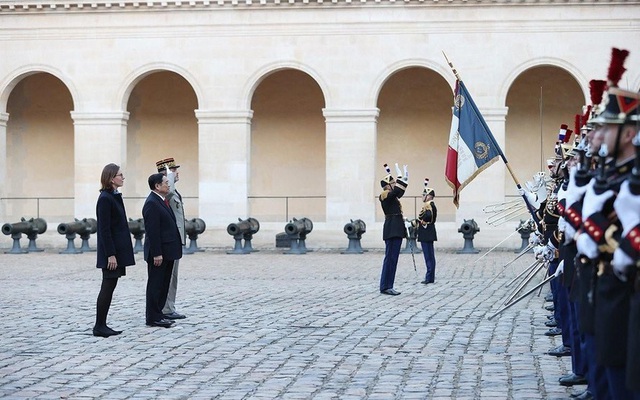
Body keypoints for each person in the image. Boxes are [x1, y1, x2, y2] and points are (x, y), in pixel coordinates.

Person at [93, 163, 135, 338]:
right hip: (111, 252)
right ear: (111, 178)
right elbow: (104, 229)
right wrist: (111, 254)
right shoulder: (105, 198)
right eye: (120, 175)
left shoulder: (114, 196)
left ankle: (102, 324)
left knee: (111, 285)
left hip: (117, 250)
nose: (122, 177)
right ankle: (99, 325)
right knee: (107, 286)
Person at [143, 173, 183, 328]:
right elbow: (153, 231)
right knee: (156, 285)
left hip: (168, 251)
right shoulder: (152, 203)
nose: (169, 185)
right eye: (166, 183)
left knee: (164, 284)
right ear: (157, 186)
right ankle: (152, 317)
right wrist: (157, 253)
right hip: (159, 253)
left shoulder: (162, 201)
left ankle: (159, 314)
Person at [156, 158, 187, 321]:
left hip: (176, 239)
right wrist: (169, 176)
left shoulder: (173, 191)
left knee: (173, 277)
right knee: (169, 277)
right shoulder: (166, 191)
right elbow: (168, 193)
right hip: (170, 241)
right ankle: (166, 308)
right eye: (174, 170)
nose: (177, 173)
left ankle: (169, 306)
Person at [379, 163, 408, 296]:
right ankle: (386, 286)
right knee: (390, 258)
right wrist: (400, 178)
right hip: (392, 230)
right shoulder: (385, 195)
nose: (395, 185)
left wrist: (404, 180)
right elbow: (396, 191)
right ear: (388, 185)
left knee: (393, 259)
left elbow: (399, 192)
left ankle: (388, 285)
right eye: (393, 183)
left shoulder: (392, 196)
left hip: (395, 229)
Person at [417, 179, 437, 284]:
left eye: (424, 194)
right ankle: (430, 276)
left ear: (429, 196)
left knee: (428, 255)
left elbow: (429, 215)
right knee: (429, 255)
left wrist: (423, 221)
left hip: (427, 232)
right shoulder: (429, 205)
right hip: (428, 232)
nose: (422, 196)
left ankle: (429, 277)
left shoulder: (428, 205)